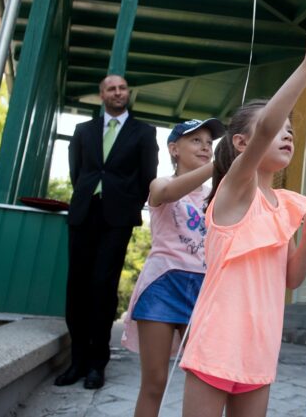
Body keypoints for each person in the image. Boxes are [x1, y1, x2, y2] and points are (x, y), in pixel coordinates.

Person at [180, 27, 306, 417]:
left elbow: (290, 280)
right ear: (242, 144)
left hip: (260, 348)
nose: (287, 135)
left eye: (292, 132)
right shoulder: (234, 191)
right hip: (216, 343)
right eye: (279, 128)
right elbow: (266, 126)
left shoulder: (284, 206)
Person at [56, 74, 159, 390]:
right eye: (111, 88)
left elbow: (148, 176)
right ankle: (77, 362)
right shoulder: (83, 131)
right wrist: (90, 196)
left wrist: (125, 204)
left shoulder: (144, 132)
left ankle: (97, 365)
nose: (118, 92)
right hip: (85, 212)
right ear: (101, 94)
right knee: (77, 288)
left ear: (127, 93)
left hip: (117, 218)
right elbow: (78, 171)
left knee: (103, 286)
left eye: (122, 88)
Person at [122, 118, 225, 417]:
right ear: (173, 149)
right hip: (162, 286)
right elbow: (166, 194)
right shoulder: (160, 183)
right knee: (154, 383)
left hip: (203, 288)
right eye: (196, 140)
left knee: (204, 380)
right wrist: (219, 165)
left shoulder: (216, 194)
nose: (206, 147)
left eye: (210, 142)